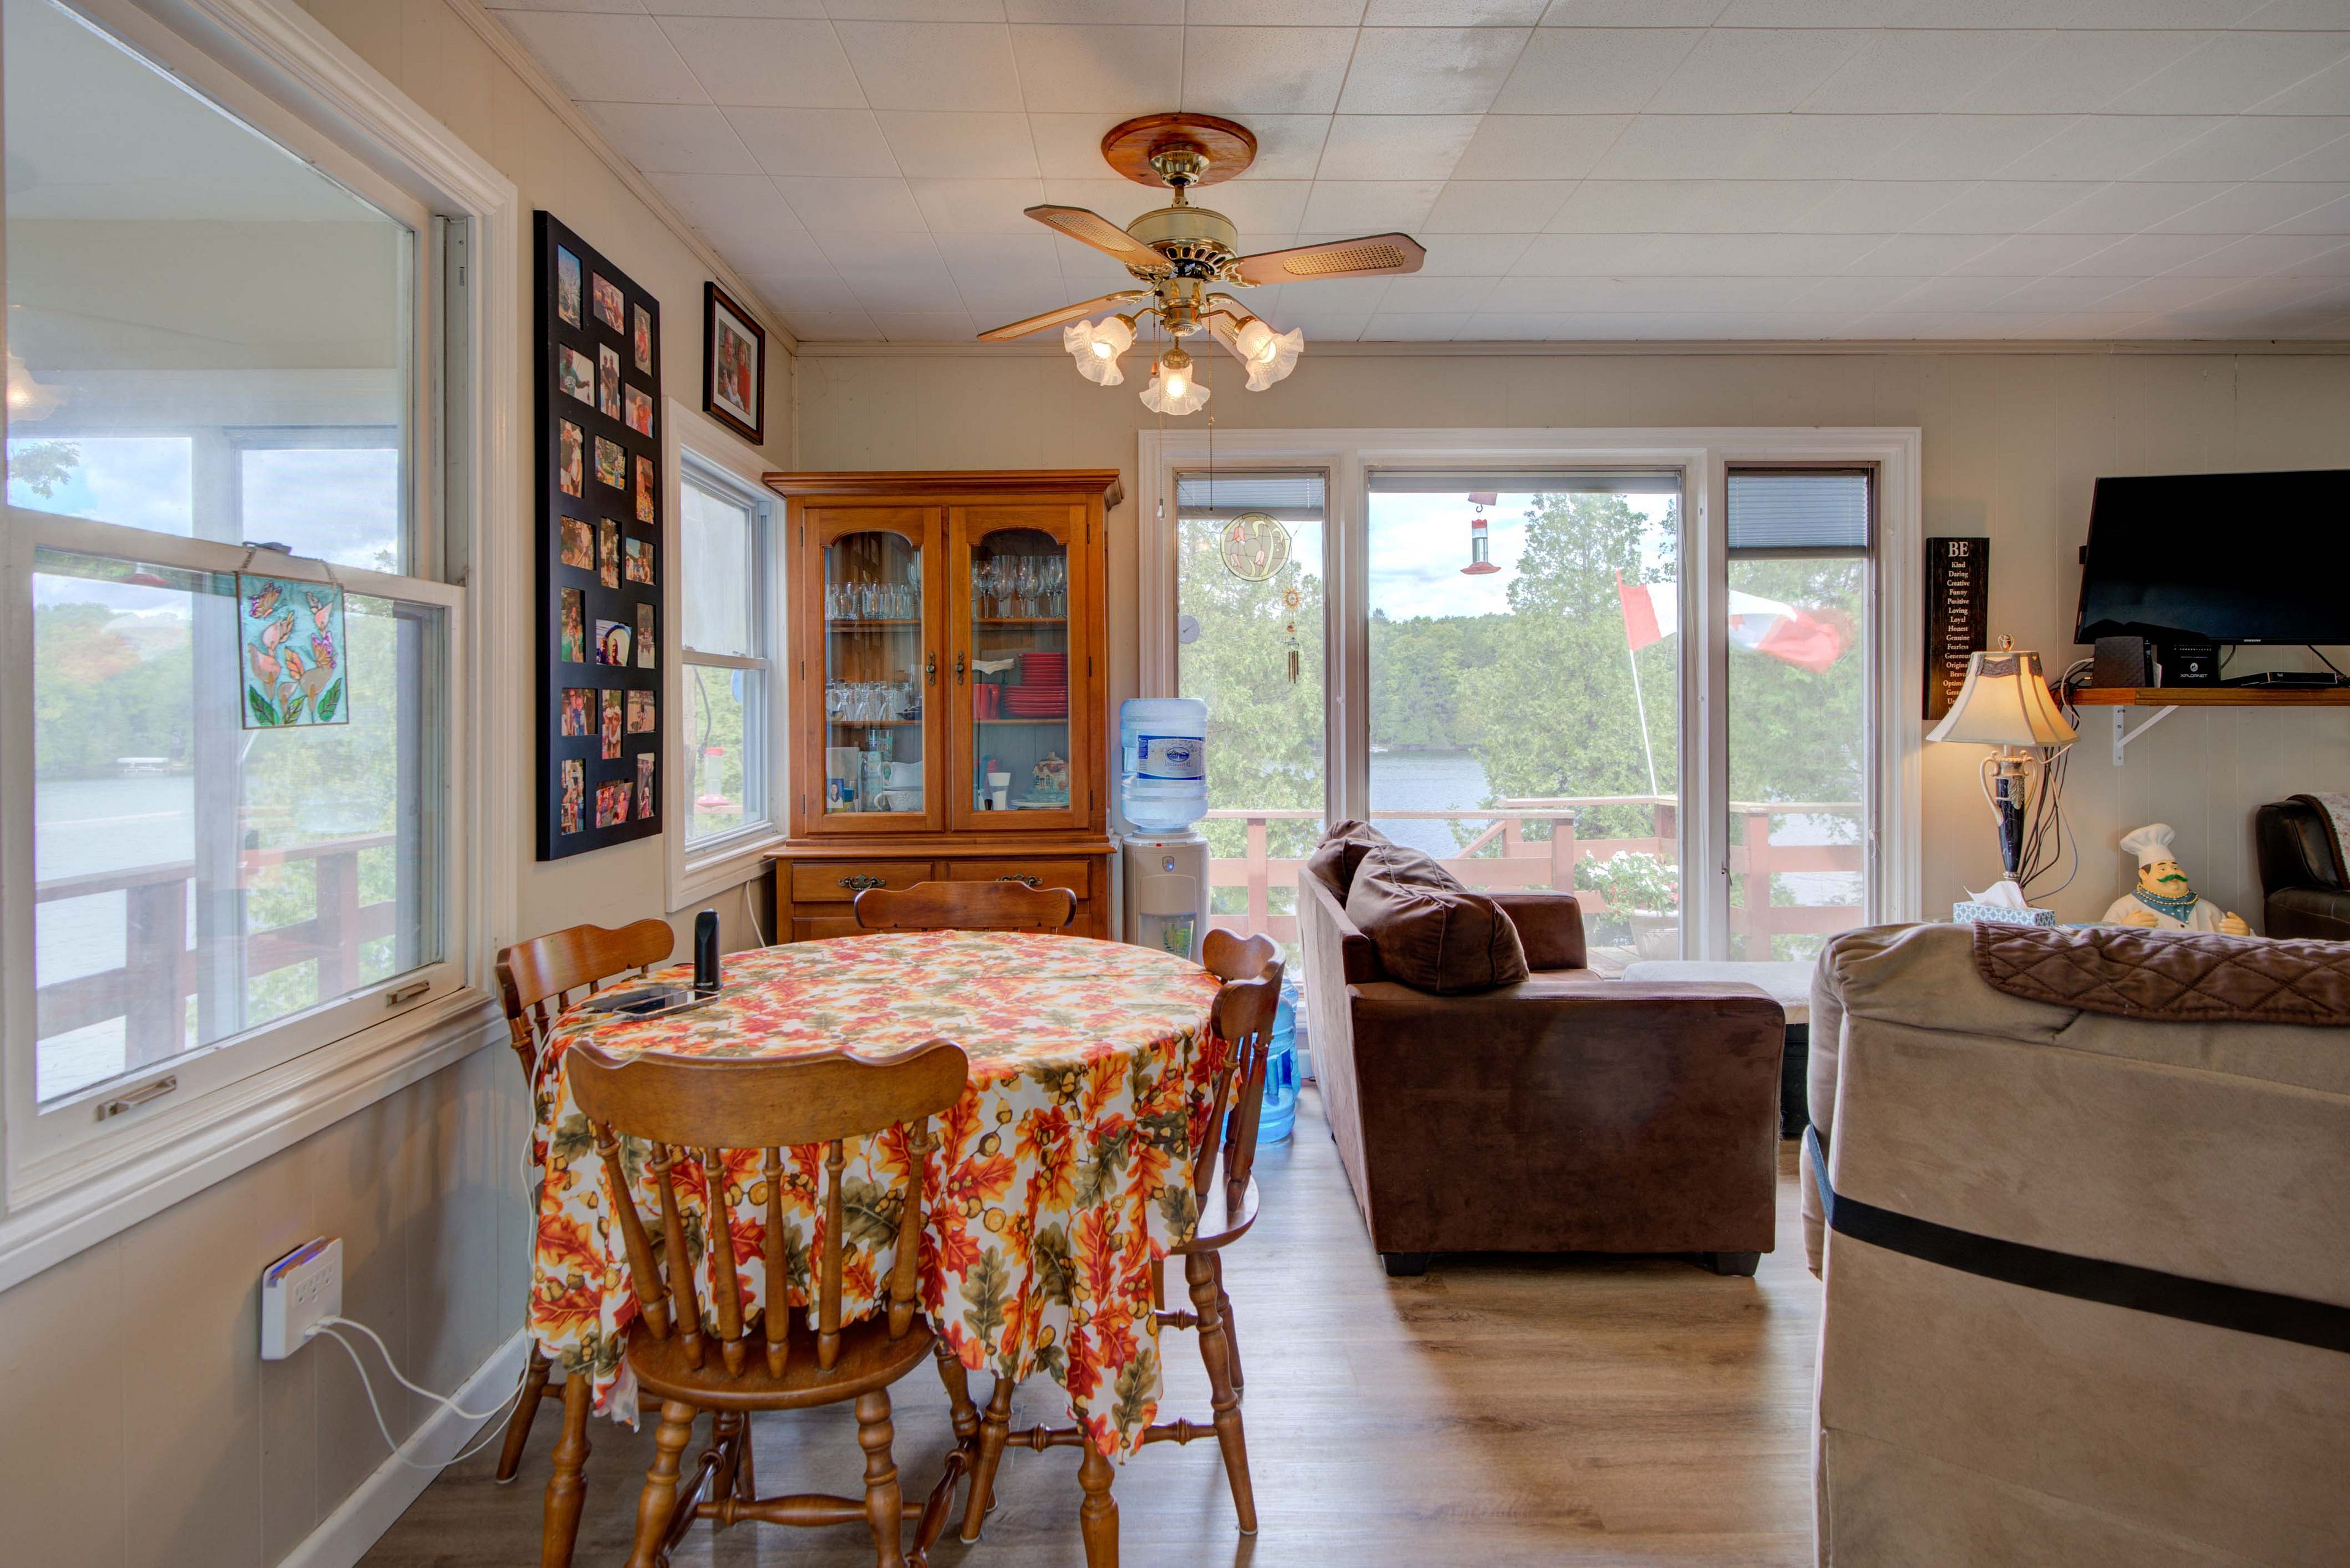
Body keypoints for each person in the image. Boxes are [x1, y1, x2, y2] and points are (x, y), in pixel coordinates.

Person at [2101, 823, 2251, 934]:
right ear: (2144, 875)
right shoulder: (2126, 907)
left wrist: (2245, 934)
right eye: (2162, 869)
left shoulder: (2207, 910)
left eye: (2175, 868)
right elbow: (2099, 943)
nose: (2172, 873)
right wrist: (2123, 929)